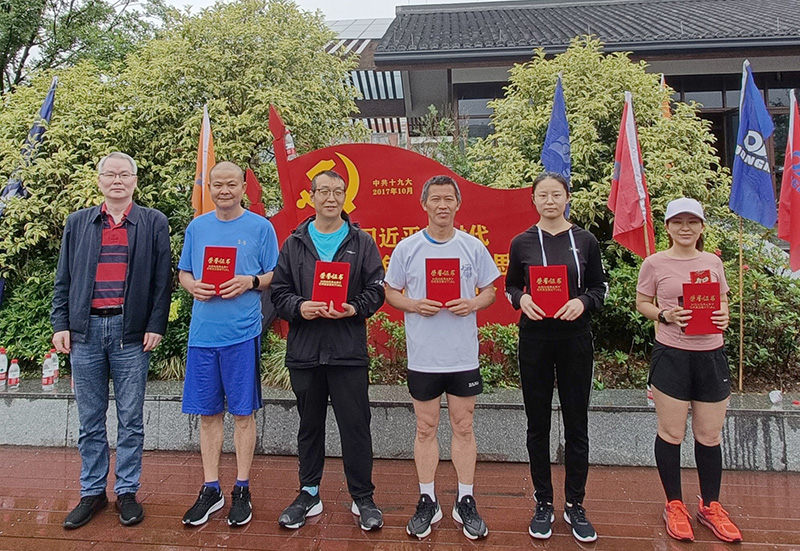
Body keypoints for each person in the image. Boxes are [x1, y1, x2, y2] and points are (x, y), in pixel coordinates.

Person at [51, 152, 172, 529]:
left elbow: (162, 280)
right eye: (110, 174)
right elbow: (64, 278)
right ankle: (92, 492)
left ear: (135, 180)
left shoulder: (153, 222)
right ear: (99, 179)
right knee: (89, 418)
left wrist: (155, 324)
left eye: (124, 175)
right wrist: (61, 323)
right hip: (85, 330)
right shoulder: (78, 222)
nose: (117, 180)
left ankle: (127, 491)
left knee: (130, 418)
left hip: (130, 333)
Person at [385, 175, 500, 541]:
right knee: (425, 427)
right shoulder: (408, 248)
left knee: (464, 426)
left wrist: (473, 302)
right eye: (435, 199)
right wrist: (415, 304)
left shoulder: (472, 246)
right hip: (424, 356)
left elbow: (491, 290)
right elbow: (390, 292)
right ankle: (427, 499)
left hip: (462, 356)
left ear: (457, 204)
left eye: (448, 199)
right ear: (424, 204)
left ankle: (465, 499)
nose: (442, 205)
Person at [271, 170, 385, 532]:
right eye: (324, 191)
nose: (331, 198)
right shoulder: (294, 243)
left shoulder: (361, 242)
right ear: (312, 196)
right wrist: (299, 307)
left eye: (338, 191)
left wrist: (354, 307)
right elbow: (278, 292)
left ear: (345, 197)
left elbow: (377, 289)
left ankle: (363, 497)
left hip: (347, 351)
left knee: (356, 427)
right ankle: (308, 493)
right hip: (305, 352)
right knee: (309, 426)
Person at [505, 172, 605, 543]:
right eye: (543, 195)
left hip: (575, 339)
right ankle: (543, 502)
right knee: (538, 424)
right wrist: (522, 299)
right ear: (533, 200)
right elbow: (511, 286)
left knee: (577, 424)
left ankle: (575, 504)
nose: (550, 201)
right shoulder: (521, 242)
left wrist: (583, 302)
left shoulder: (585, 240)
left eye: (556, 195)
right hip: (535, 339)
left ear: (567, 198)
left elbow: (599, 287)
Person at [636, 197, 742, 543]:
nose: (685, 228)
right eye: (678, 222)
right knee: (671, 433)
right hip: (672, 355)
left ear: (701, 227)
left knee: (709, 435)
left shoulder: (712, 262)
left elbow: (721, 300)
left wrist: (724, 315)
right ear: (667, 227)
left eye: (692, 222)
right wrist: (664, 315)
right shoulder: (654, 263)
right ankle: (675, 504)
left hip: (711, 355)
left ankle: (710, 506)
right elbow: (643, 303)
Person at [178, 161, 279, 527]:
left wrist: (250, 281)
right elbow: (184, 272)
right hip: (203, 334)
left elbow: (275, 274)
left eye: (231, 184)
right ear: (209, 188)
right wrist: (193, 286)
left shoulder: (261, 227)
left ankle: (242, 488)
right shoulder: (197, 227)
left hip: (242, 333)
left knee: (243, 414)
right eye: (218, 184)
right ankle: (211, 489)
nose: (224, 190)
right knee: (207, 415)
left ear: (243, 188)